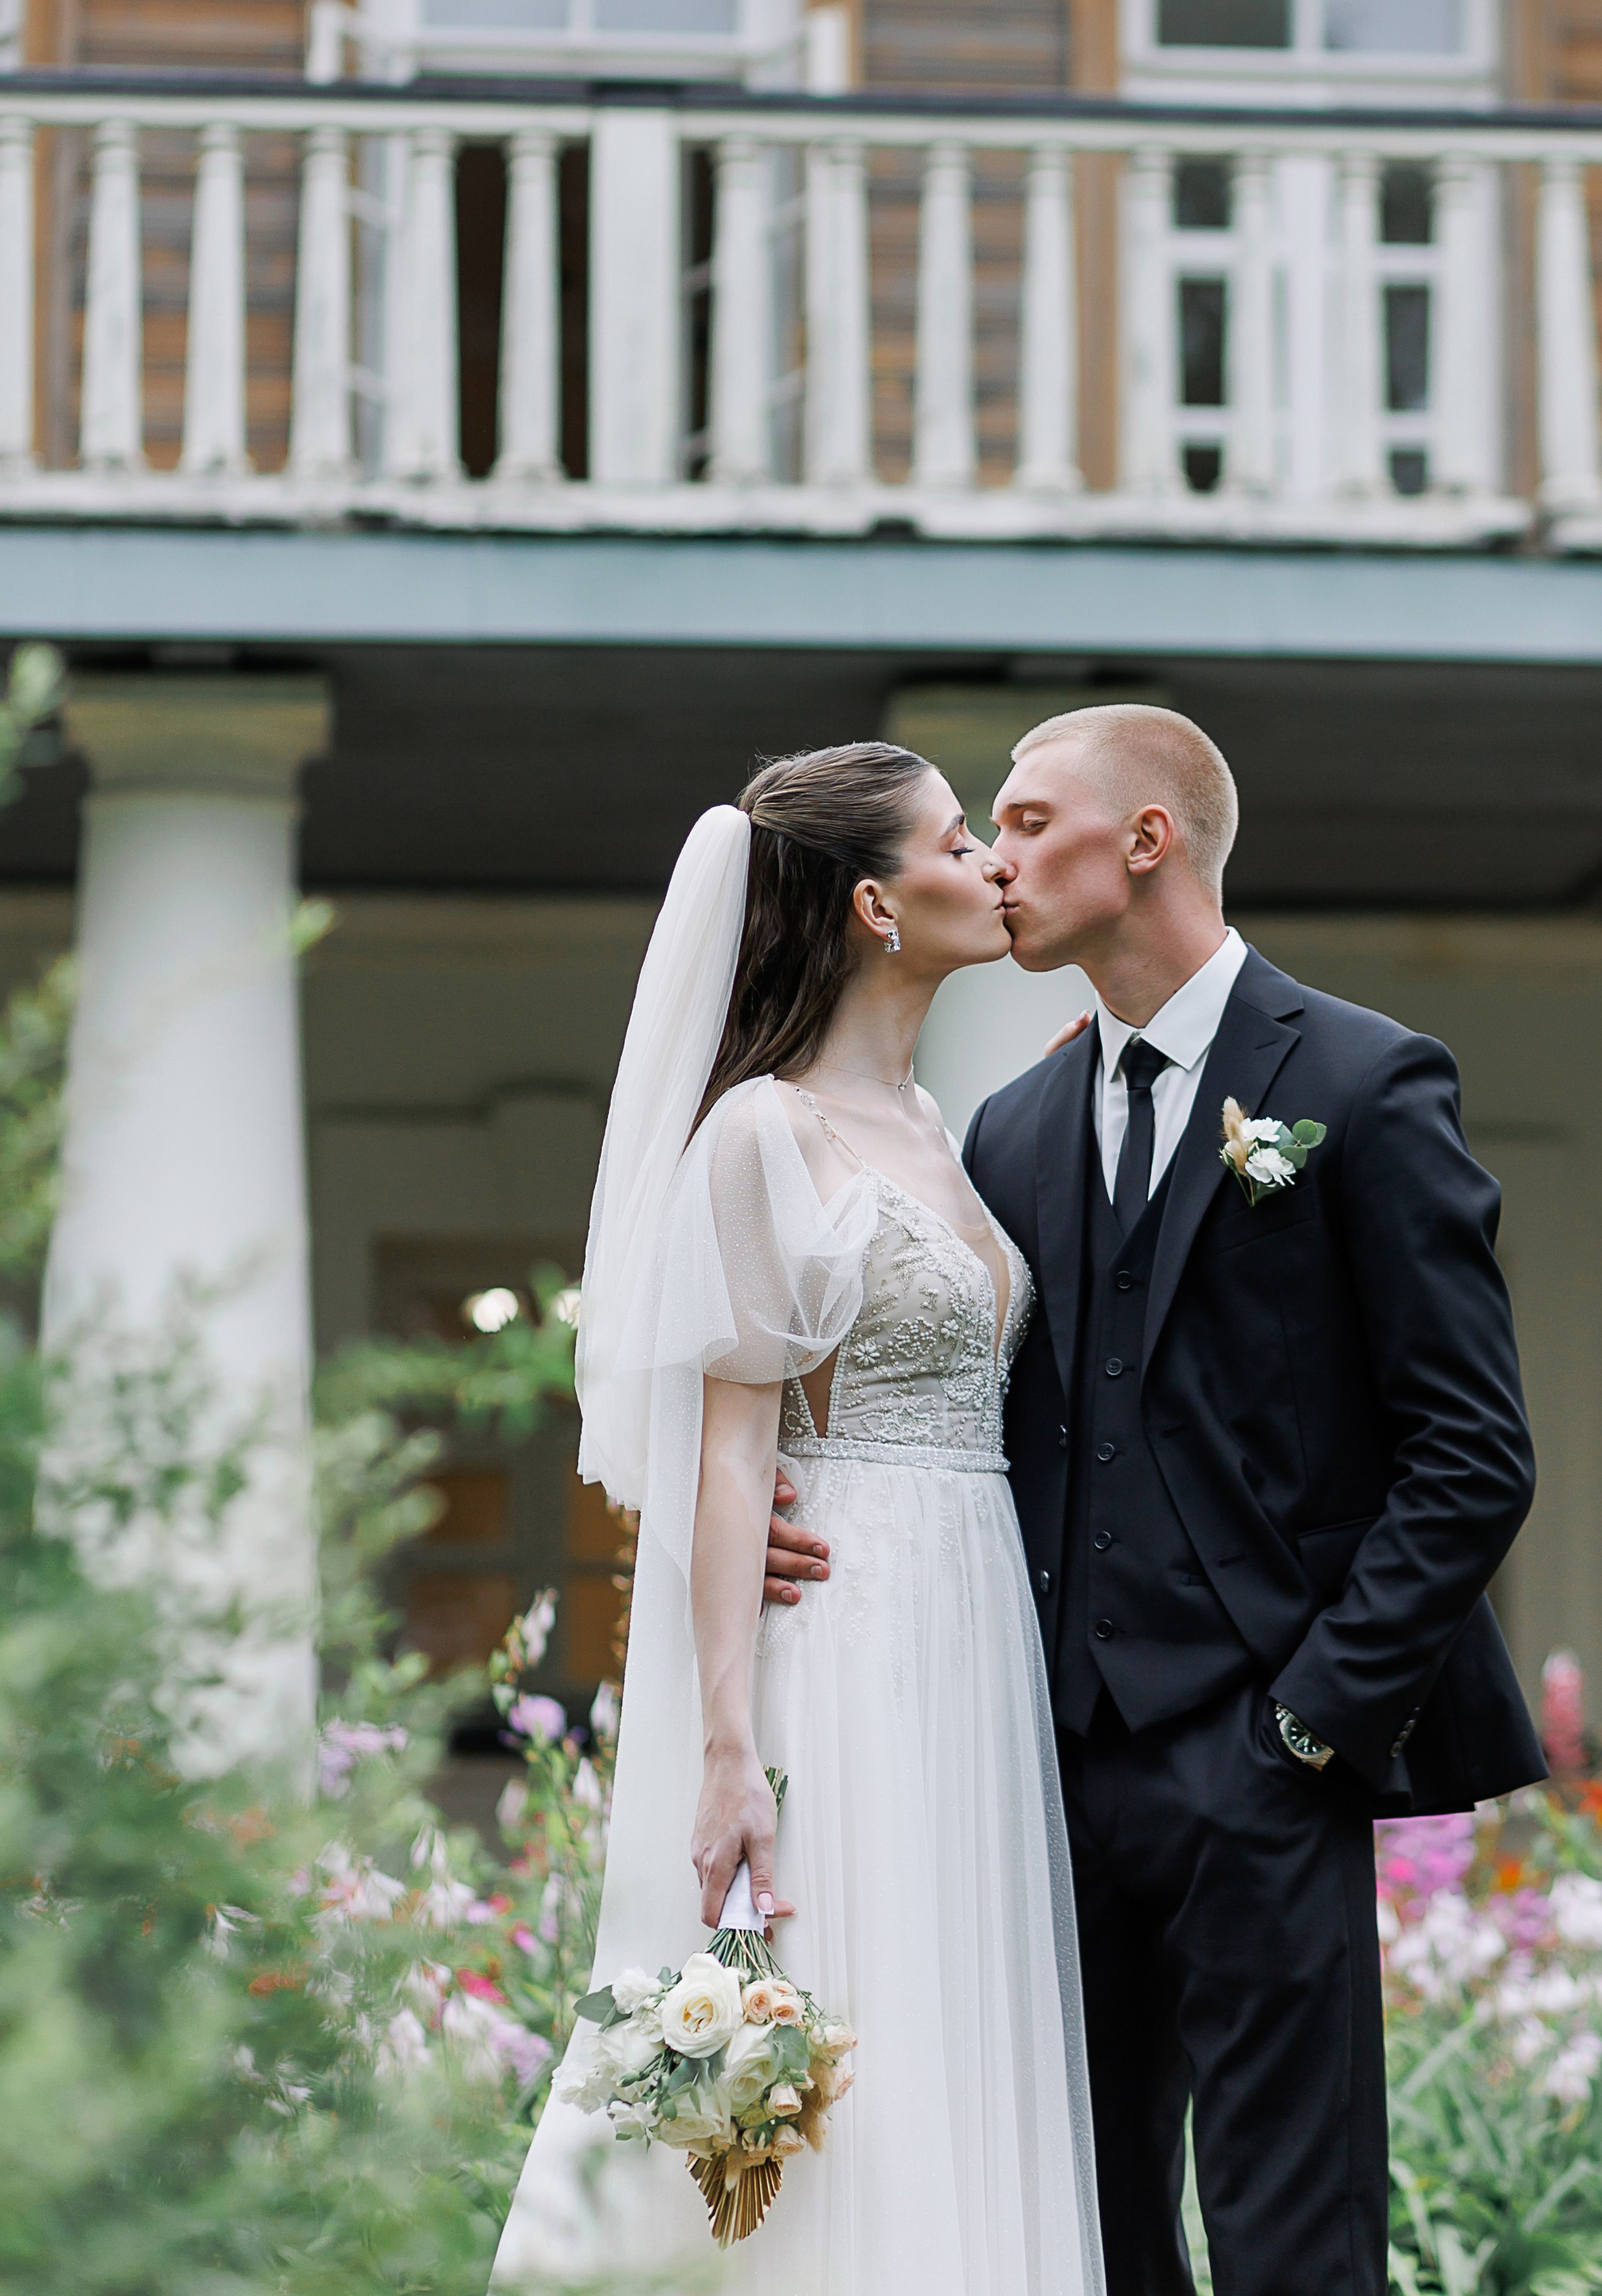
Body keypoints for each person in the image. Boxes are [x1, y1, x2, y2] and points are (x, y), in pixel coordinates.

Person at [766, 703, 1543, 2296]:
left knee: (1290, 2242)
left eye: (1029, 819)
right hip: (1041, 1775)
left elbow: (1470, 1451)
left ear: (1146, 841)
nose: (993, 854)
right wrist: (776, 1497)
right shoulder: (1015, 1125)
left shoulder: (1359, 1079)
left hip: (1266, 1756)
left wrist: (1310, 1726)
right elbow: (966, 1410)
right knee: (1079, 2236)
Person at [493, 744, 1105, 2296]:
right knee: (846, 2018)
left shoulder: (946, 1132)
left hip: (977, 1631)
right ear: (877, 905)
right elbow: (727, 1444)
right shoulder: (760, 1133)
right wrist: (720, 1746)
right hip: (839, 1637)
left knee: (957, 2013)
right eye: (963, 840)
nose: (993, 865)